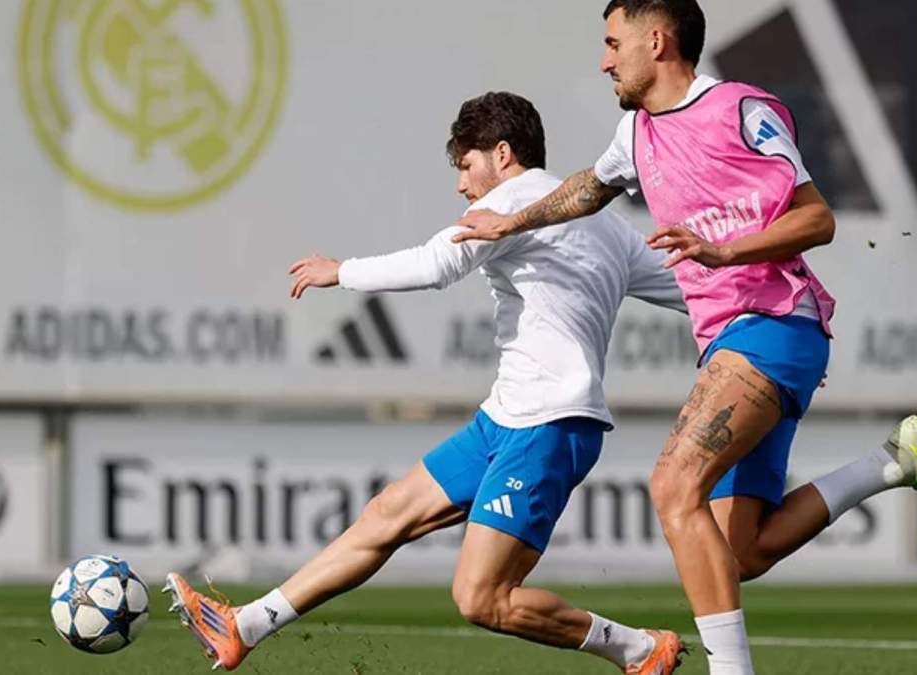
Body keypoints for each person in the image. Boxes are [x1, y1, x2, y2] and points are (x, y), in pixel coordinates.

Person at [453, 3, 917, 674]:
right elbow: (589, 187)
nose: (604, 60)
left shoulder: (742, 109)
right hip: (734, 343)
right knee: (739, 553)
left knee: (675, 485)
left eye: (613, 43)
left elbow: (816, 219)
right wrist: (515, 221)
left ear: (657, 39)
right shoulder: (637, 132)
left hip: (773, 325)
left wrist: (724, 251)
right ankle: (896, 462)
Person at [165, 91, 691, 673]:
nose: (462, 186)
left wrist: (341, 272)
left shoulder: (512, 205)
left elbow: (436, 263)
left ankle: (641, 649)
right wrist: (772, 315)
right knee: (386, 514)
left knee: (481, 598)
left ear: (503, 152)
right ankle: (244, 625)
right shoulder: (606, 224)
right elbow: (689, 288)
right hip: (508, 417)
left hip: (550, 423)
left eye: (466, 166)